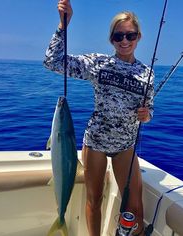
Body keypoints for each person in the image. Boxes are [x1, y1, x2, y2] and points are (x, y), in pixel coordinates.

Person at [44, 0, 154, 235]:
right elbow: (53, 62)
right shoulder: (99, 64)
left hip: (125, 145)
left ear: (138, 37)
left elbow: (148, 110)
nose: (124, 41)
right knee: (94, 200)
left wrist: (146, 115)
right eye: (118, 36)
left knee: (135, 206)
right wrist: (63, 25)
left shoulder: (147, 73)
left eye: (130, 35)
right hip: (96, 142)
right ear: (111, 39)